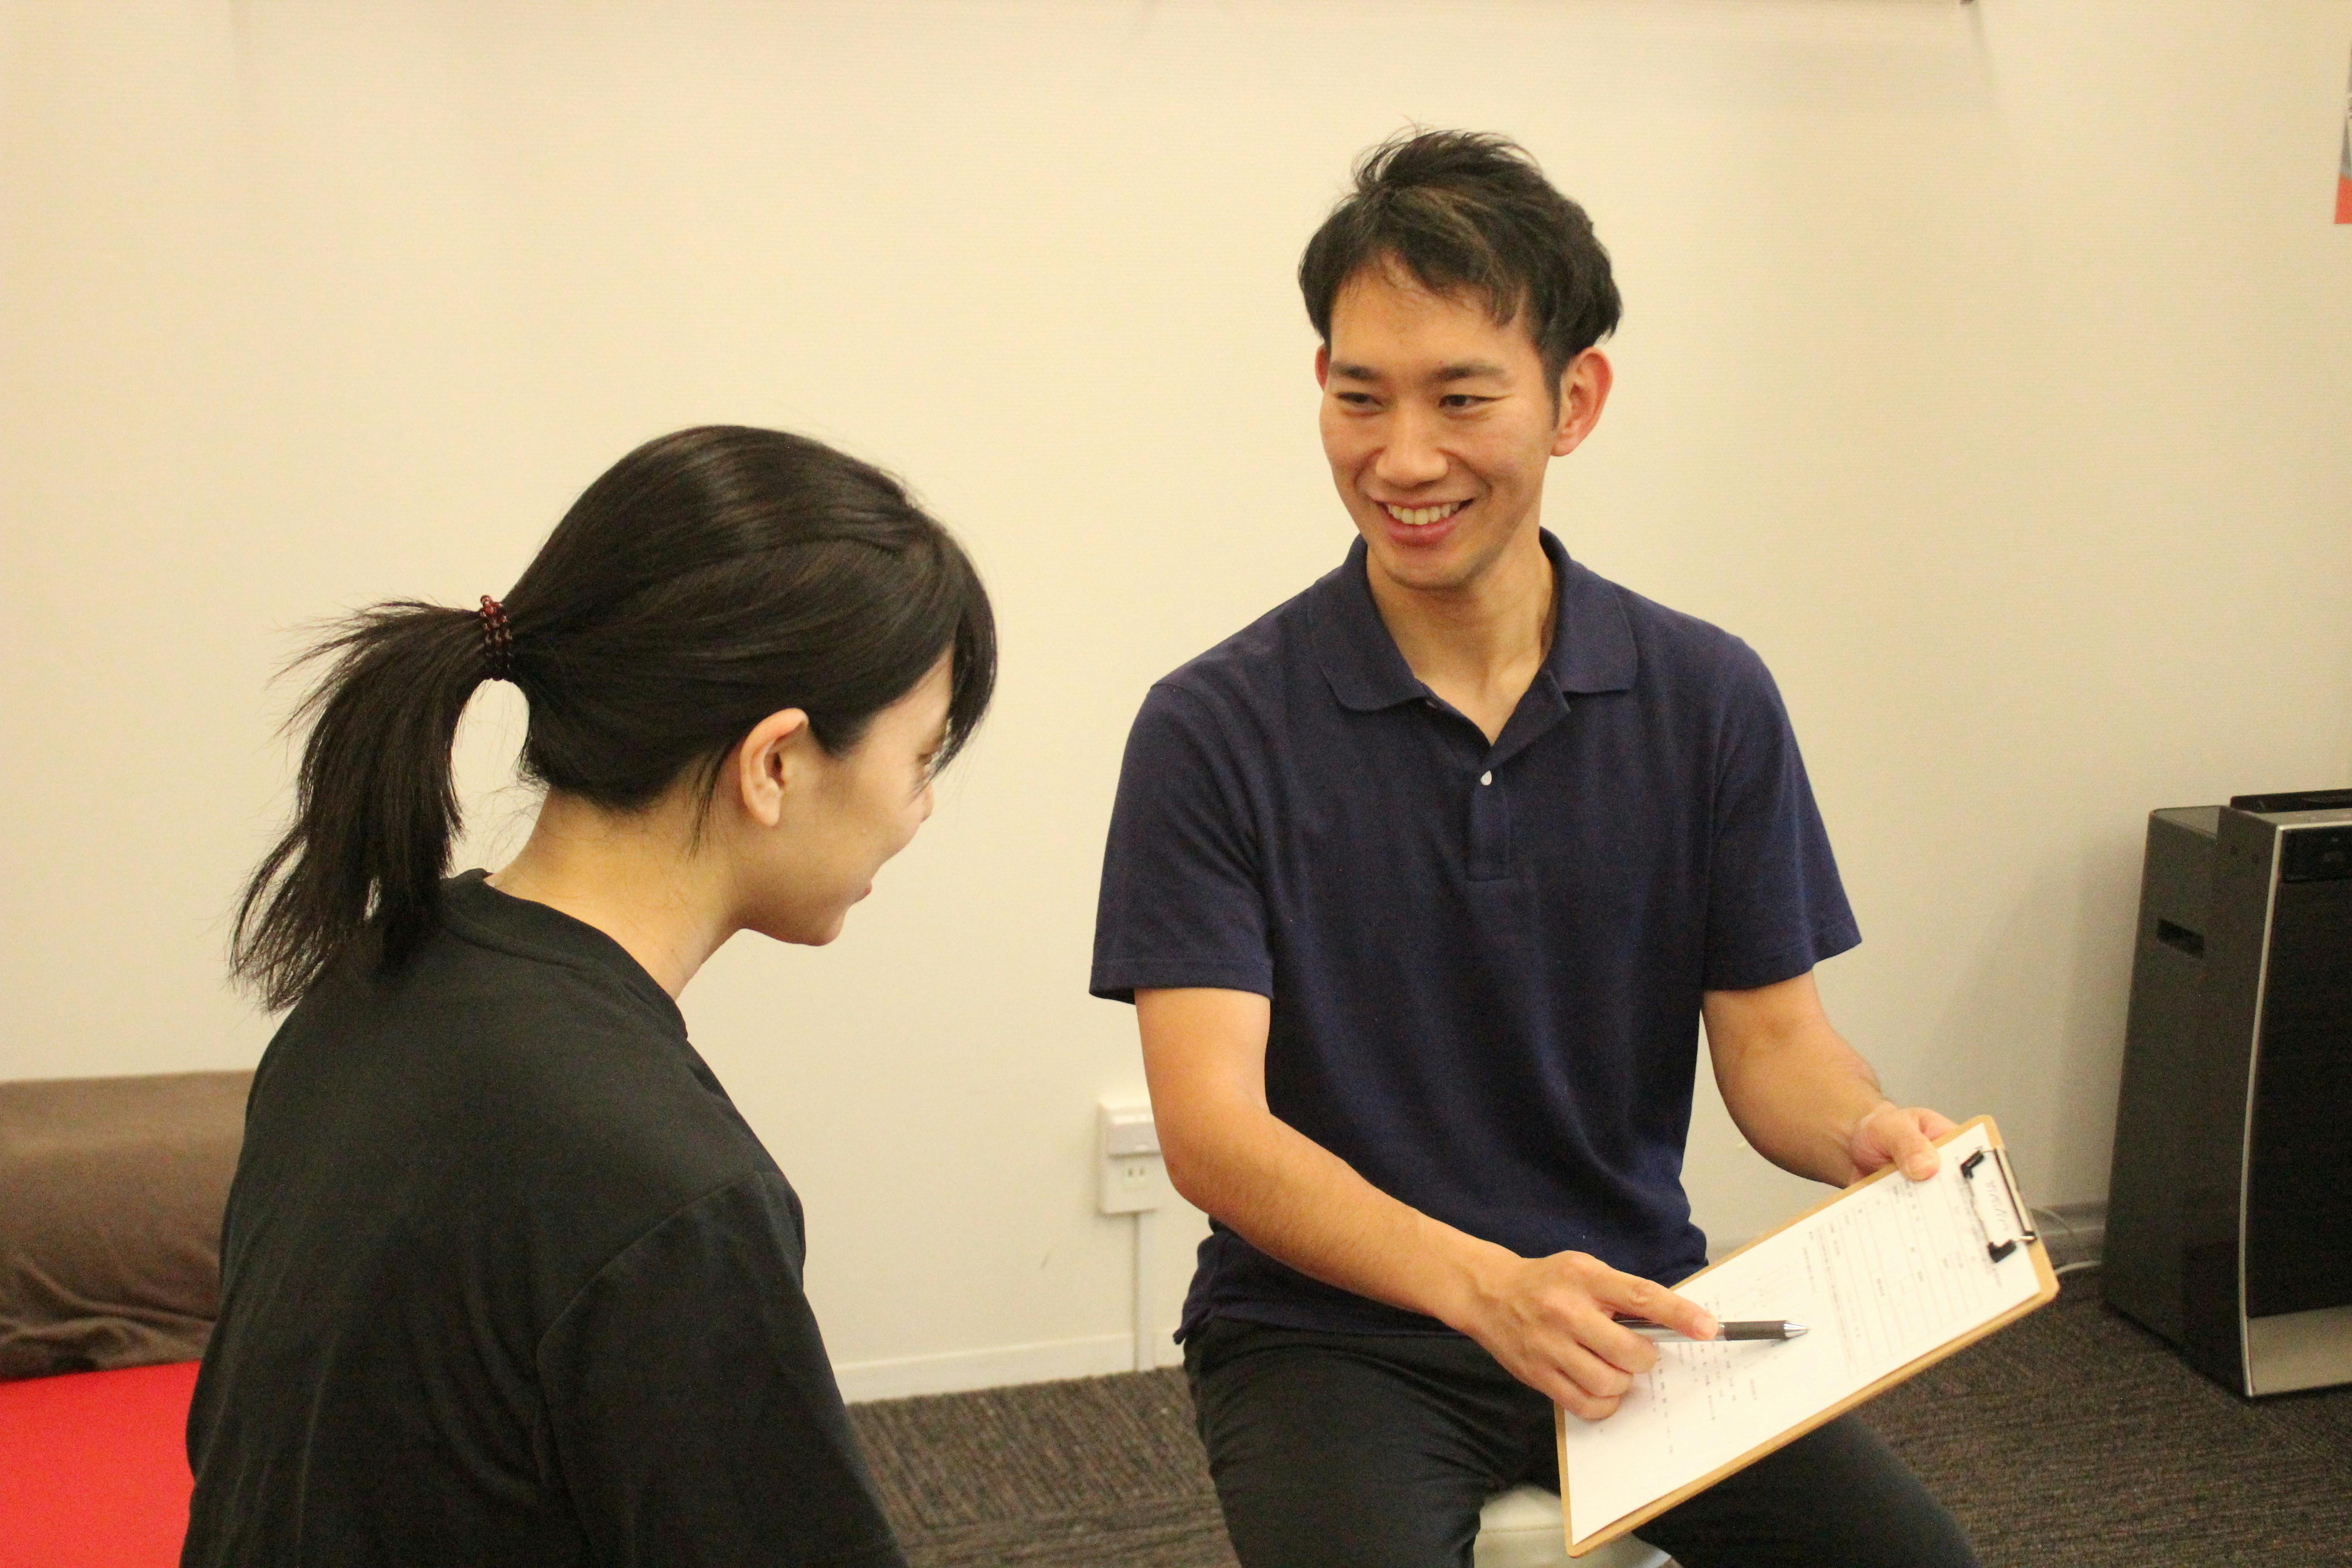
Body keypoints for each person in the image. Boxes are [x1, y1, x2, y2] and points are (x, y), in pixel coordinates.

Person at [1091, 132, 1981, 1568]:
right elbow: (1215, 1136)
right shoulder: (1213, 726)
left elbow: (1778, 1051)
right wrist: (1485, 1288)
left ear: (1576, 401)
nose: (1403, 458)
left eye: (1461, 399)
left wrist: (1865, 1133)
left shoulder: (1708, 698)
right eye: (1359, 397)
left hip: (1630, 1312)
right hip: (1330, 1333)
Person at [186, 426, 995, 1567]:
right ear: (776, 764)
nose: (920, 810)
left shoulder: (372, 981)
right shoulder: (668, 1193)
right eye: (920, 761)